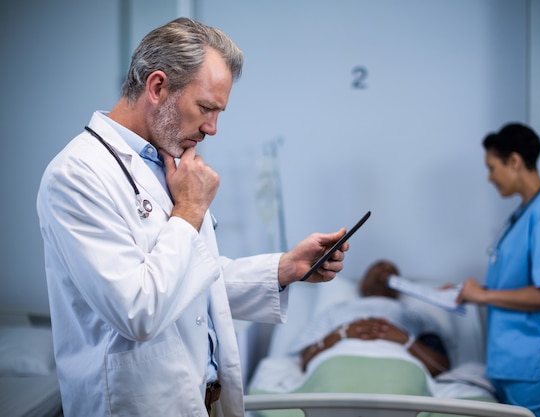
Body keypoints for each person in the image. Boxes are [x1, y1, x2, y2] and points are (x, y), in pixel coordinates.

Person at [36, 17, 349, 417]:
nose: (212, 128)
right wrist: (188, 211)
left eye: (219, 112)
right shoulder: (76, 175)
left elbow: (191, 281)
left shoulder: (165, 163)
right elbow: (138, 310)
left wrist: (287, 267)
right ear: (157, 87)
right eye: (205, 108)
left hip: (201, 402)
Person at [455, 123, 540, 417]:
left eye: (492, 168)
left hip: (538, 368)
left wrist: (484, 297)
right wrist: (473, 292)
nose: (489, 178)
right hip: (518, 364)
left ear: (514, 161)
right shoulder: (525, 213)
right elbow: (519, 284)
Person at [295, 260, 450, 378]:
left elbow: (441, 366)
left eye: (392, 271)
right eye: (378, 268)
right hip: (337, 363)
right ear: (362, 285)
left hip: (399, 367)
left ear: (399, 290)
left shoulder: (415, 314)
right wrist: (341, 334)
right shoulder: (336, 310)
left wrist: (404, 339)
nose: (386, 268)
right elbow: (306, 360)